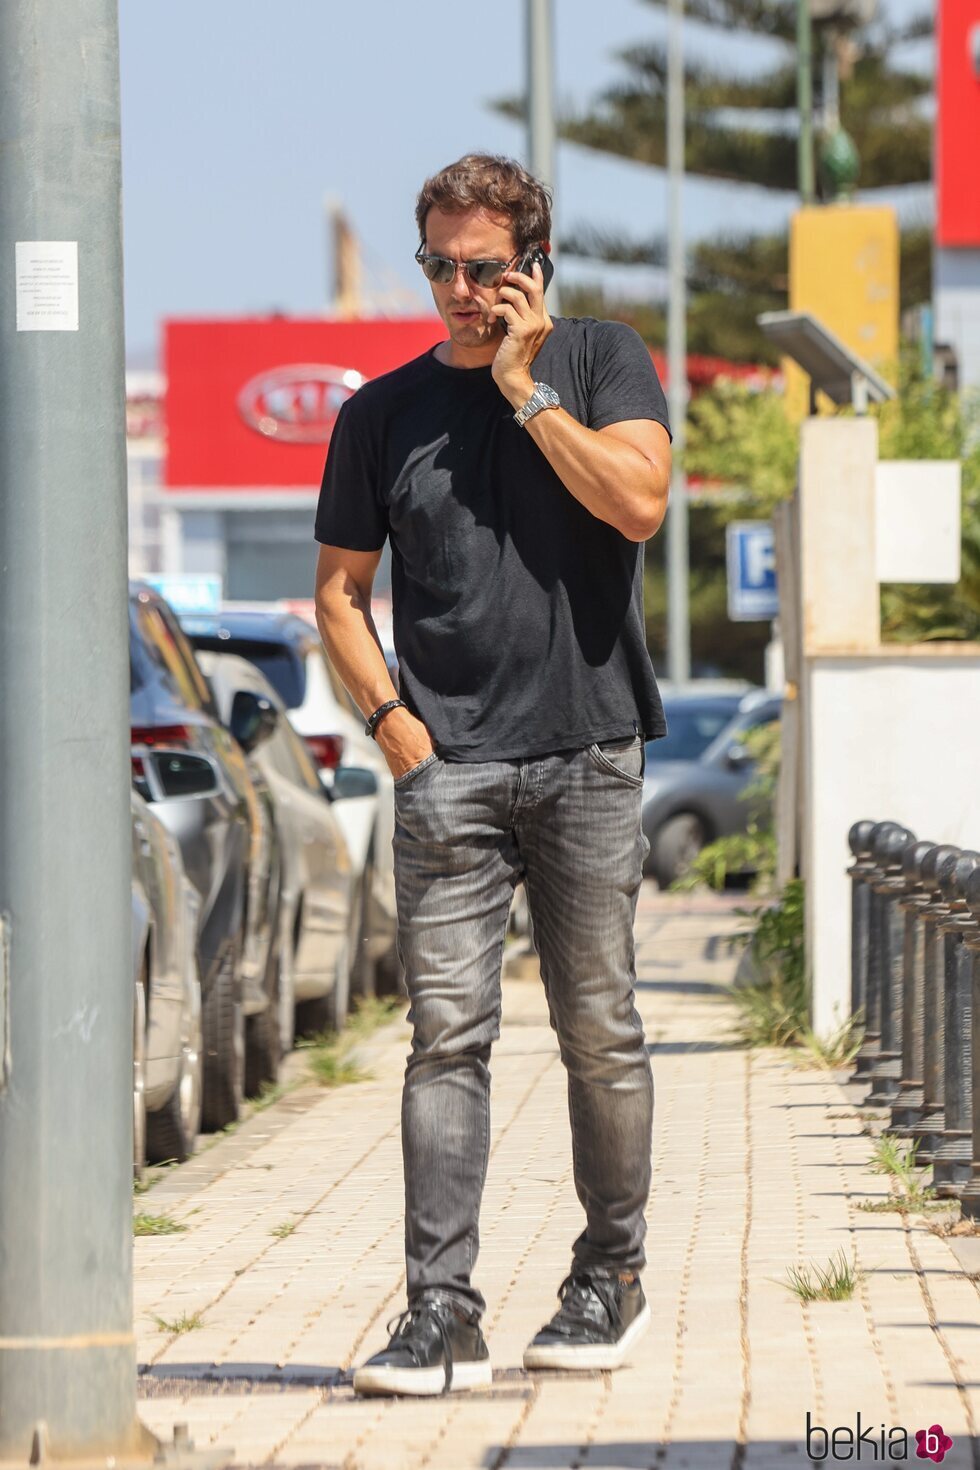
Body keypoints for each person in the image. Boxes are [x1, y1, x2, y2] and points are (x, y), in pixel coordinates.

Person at [313, 153, 671, 1398]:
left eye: (482, 269)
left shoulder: (600, 360)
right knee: (443, 1043)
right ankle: (438, 1310)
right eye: (439, 269)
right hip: (446, 770)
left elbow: (636, 504)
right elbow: (339, 595)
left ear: (534, 264)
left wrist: (523, 393)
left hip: (586, 750)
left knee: (598, 1030)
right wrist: (391, 727)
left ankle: (607, 1278)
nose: (459, 293)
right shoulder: (379, 416)